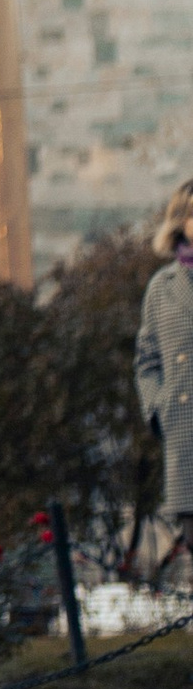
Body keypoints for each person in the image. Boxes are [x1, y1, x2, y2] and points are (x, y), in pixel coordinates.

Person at [133, 176, 193, 558]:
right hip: (186, 439)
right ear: (181, 222)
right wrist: (158, 409)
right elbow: (146, 360)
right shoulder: (162, 287)